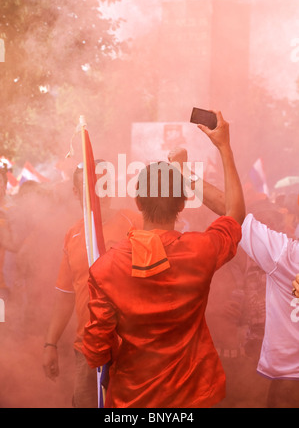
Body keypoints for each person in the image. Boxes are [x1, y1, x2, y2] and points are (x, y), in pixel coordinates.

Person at [82, 111, 245, 408]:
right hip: (193, 398)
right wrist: (224, 147)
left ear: (138, 201)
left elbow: (95, 348)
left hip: (131, 400)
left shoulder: (106, 268)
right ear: (183, 202)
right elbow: (234, 214)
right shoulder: (202, 250)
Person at [42, 161, 142, 408]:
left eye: (104, 185)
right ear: (76, 193)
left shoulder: (134, 222)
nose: (100, 193)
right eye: (91, 187)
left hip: (133, 347)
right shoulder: (73, 234)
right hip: (87, 348)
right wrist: (50, 343)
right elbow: (65, 295)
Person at [197, 169, 299, 407]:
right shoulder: (279, 256)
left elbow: (234, 215)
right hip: (258, 362)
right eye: (267, 220)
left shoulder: (284, 257)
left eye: (275, 219)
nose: (273, 224)